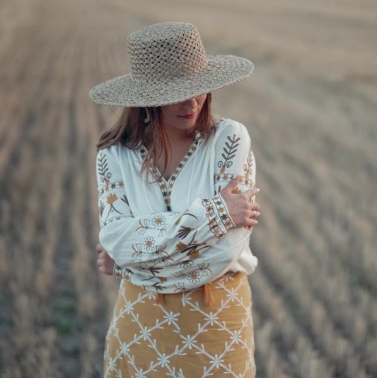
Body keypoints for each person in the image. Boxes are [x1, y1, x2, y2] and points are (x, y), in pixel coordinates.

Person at [88, 22, 260, 378]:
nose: (193, 101)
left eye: (199, 89)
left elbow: (222, 252)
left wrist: (130, 264)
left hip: (217, 325)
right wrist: (214, 214)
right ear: (146, 97)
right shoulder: (114, 155)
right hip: (142, 325)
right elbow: (117, 239)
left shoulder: (230, 139)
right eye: (177, 92)